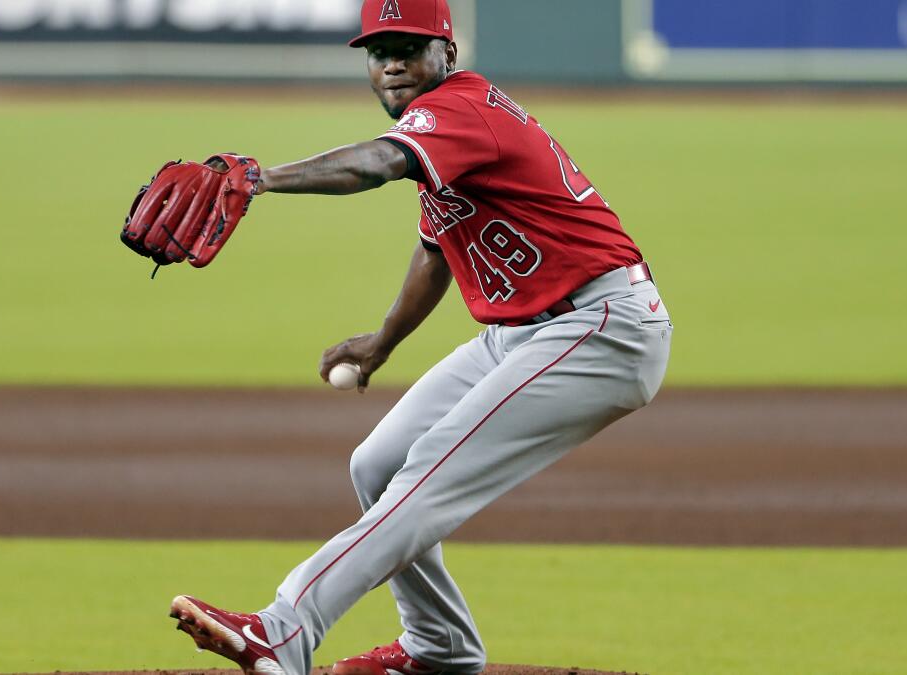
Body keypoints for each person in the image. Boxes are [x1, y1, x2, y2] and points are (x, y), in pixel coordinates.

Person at [168, 1, 672, 674]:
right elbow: (435, 249)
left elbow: (376, 163)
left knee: (430, 469)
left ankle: (286, 626)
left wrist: (264, 178)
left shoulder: (459, 110)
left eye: (410, 46)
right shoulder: (441, 131)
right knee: (376, 464)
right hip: (527, 331)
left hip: (601, 324)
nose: (393, 62)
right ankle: (441, 646)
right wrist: (384, 341)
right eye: (379, 51)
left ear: (448, 53)